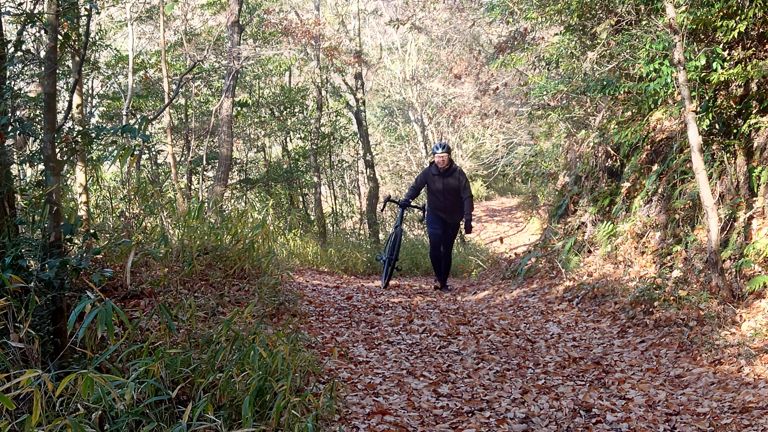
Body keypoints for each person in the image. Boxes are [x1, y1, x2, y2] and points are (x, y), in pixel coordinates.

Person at [400, 141, 474, 292]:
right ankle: (439, 278)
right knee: (435, 244)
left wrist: (468, 218)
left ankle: (443, 282)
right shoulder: (428, 172)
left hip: (453, 216)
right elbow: (416, 187)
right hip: (434, 214)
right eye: (438, 157)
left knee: (447, 249)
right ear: (434, 158)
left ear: (449, 157)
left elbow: (467, 196)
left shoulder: (458, 173)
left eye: (444, 156)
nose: (441, 160)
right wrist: (407, 199)